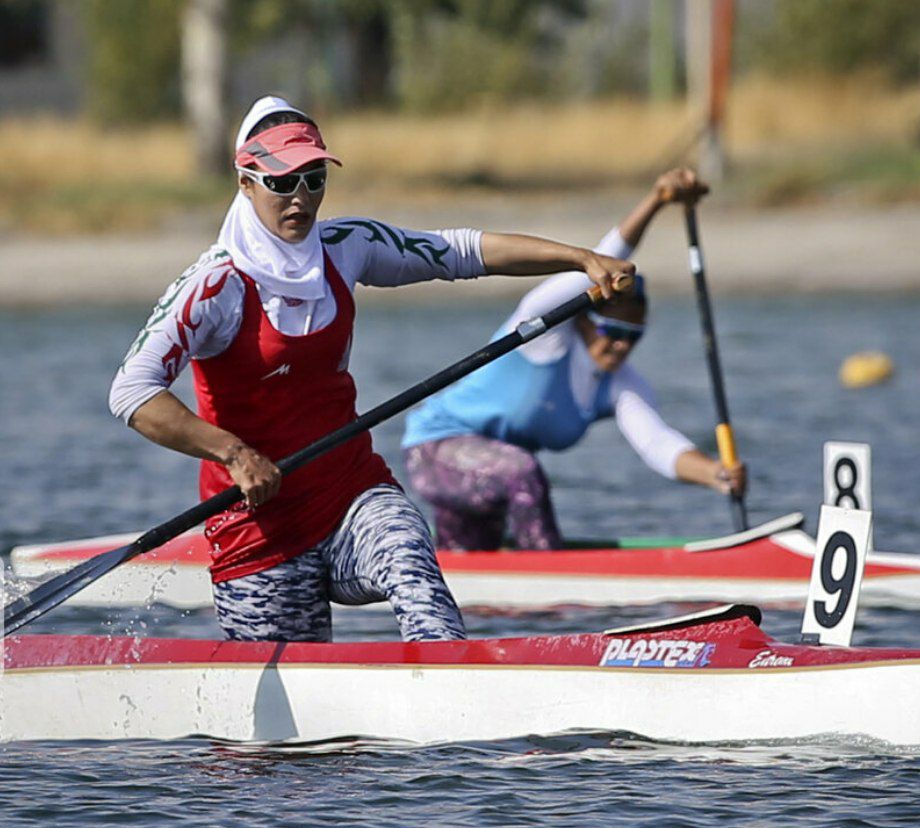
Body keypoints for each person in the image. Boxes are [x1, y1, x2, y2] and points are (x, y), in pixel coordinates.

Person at [109, 95, 634, 643]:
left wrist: (581, 259)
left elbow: (459, 252)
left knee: (408, 548)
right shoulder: (213, 288)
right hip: (259, 532)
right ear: (245, 182)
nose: (301, 198)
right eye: (282, 183)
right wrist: (234, 454)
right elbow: (132, 393)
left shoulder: (345, 247)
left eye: (314, 179)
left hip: (350, 495)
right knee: (290, 724)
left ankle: (454, 684)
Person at [400, 168, 747, 552]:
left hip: (489, 470)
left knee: (471, 564)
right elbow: (602, 258)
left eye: (632, 337)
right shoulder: (542, 334)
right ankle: (549, 583)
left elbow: (657, 445)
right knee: (523, 472)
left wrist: (716, 474)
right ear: (583, 321)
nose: (620, 347)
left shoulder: (620, 385)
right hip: (435, 452)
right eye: (611, 332)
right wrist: (657, 201)